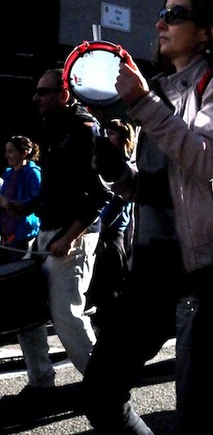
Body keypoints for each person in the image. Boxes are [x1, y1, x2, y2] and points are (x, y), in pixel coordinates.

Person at [81, 0, 213, 434]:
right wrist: (118, 174)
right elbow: (160, 188)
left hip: (205, 276)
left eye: (176, 14)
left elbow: (203, 160)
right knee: (100, 393)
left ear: (206, 31)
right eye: (162, 12)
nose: (161, 22)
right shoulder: (159, 91)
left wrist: (142, 103)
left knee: (197, 417)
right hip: (150, 273)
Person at [12, 69, 109, 400]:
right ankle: (41, 381)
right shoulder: (54, 127)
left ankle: (104, 390)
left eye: (43, 92)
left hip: (73, 235)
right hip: (49, 230)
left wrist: (70, 236)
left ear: (64, 94)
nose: (36, 97)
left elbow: (101, 194)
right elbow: (55, 186)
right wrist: (23, 209)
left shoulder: (85, 130)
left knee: (66, 314)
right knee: (25, 308)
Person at [84, 119, 135, 330]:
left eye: (112, 133)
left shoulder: (125, 164)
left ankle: (114, 323)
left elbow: (119, 201)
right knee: (101, 280)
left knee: (112, 279)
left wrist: (102, 223)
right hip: (103, 229)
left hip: (115, 232)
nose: (108, 137)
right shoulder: (103, 161)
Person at [0, 135, 41, 264]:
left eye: (11, 151)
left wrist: (11, 204)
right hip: (6, 232)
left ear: (24, 153)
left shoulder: (33, 173)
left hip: (22, 234)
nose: (7, 155)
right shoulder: (8, 173)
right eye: (6, 151)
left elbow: (37, 202)